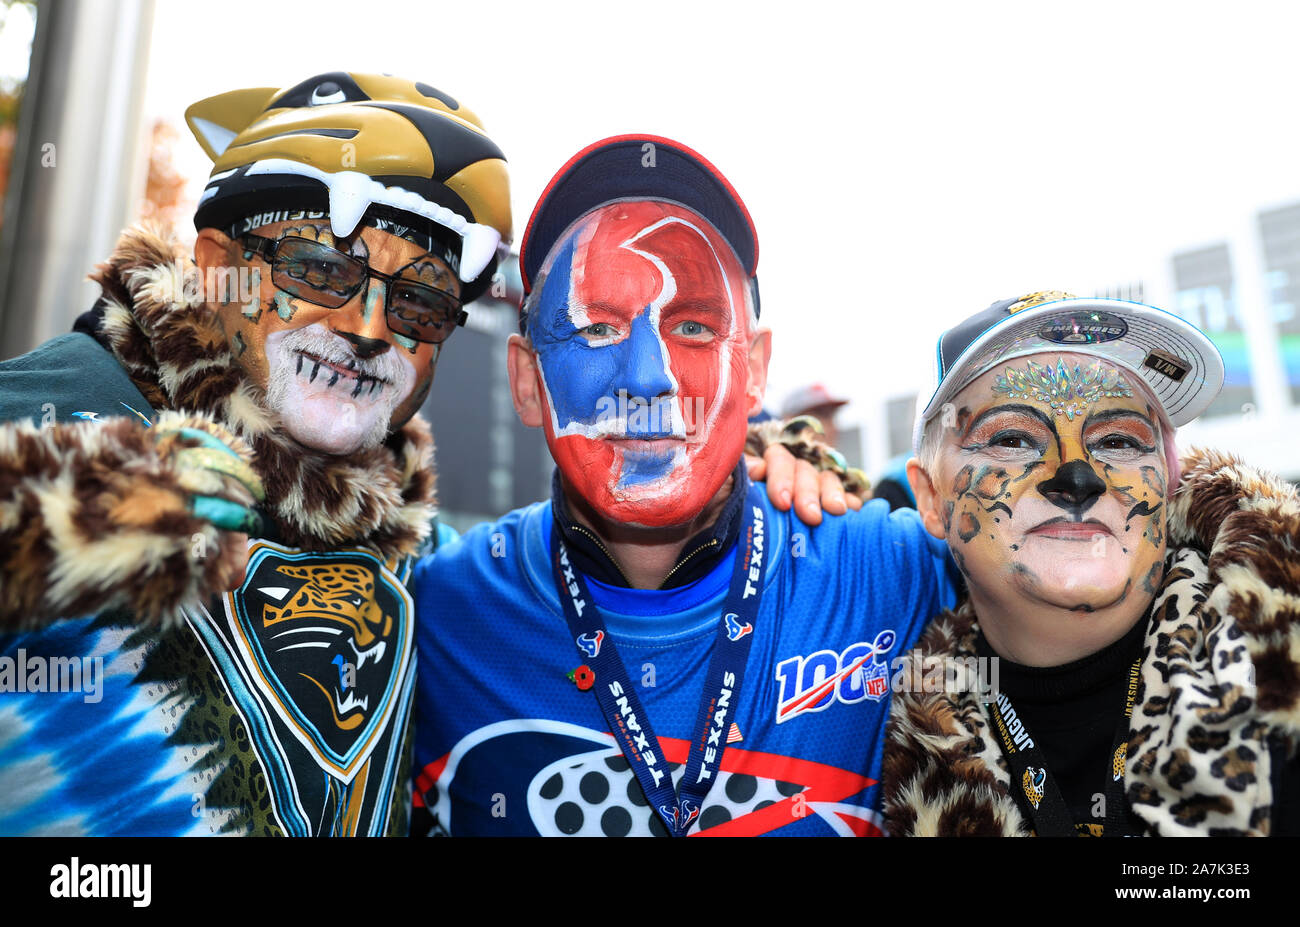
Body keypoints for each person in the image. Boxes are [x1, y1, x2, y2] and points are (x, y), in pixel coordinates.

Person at [0, 72, 513, 835]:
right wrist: (50, 517)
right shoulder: (55, 417)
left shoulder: (416, 549)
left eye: (420, 301)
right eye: (320, 270)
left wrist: (741, 497)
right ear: (216, 264)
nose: (369, 328)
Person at [410, 135, 958, 836]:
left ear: (756, 369)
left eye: (695, 326)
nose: (648, 377)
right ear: (526, 379)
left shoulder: (897, 573)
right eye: (597, 328)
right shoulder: (440, 607)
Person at [882, 290, 1300, 836]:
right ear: (931, 499)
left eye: (1121, 440)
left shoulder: (1278, 667)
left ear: (1168, 478)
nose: (1077, 477)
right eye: (1011, 438)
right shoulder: (901, 735)